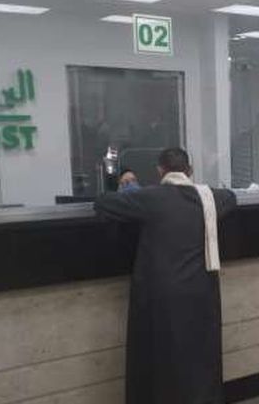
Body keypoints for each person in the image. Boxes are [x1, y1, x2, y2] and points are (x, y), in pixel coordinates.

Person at [94, 148, 237, 404]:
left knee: (164, 361)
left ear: (160, 171)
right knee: (200, 357)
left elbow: (103, 203)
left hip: (162, 296)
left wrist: (126, 186)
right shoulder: (210, 198)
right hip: (202, 292)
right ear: (190, 171)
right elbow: (231, 197)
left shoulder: (151, 198)